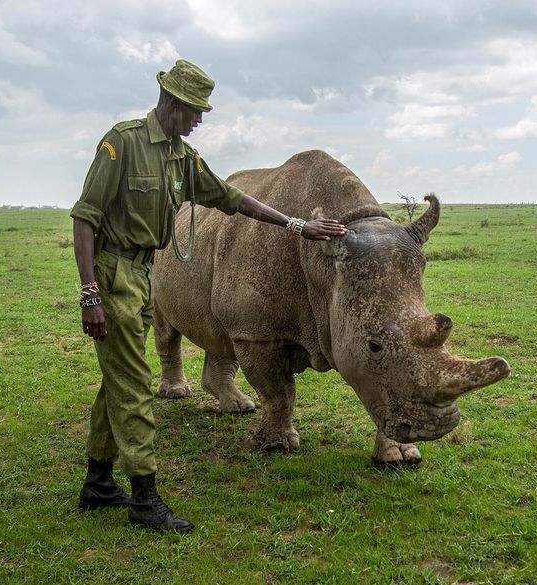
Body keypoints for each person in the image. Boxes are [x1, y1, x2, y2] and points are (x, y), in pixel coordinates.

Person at [70, 59, 347, 533]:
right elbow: (84, 218)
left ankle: (97, 482)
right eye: (195, 110)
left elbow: (234, 199)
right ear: (173, 103)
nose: (200, 119)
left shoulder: (184, 158)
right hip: (113, 271)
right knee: (135, 387)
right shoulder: (123, 143)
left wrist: (297, 224)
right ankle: (144, 496)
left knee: (116, 380)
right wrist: (90, 292)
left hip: (145, 273)